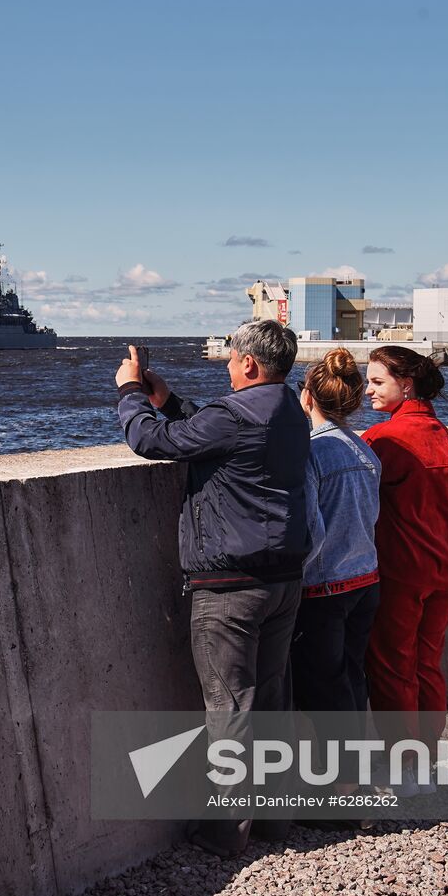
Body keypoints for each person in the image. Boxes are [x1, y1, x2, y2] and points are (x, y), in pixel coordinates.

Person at [115, 321, 308, 857]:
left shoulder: (235, 414)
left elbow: (151, 441)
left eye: (230, 358)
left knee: (230, 706)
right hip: (283, 579)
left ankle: (226, 832)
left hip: (231, 585)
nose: (226, 365)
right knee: (270, 701)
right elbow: (216, 431)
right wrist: (170, 398)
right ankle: (274, 821)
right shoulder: (289, 408)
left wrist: (132, 391)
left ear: (249, 363)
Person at [360, 345, 448, 794]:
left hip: (403, 567)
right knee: (427, 663)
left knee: (392, 665)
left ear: (407, 384)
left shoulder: (385, 439)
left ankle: (405, 765)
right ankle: (424, 756)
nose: (367, 390)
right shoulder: (438, 432)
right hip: (445, 567)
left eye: (377, 381)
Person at [292, 348, 381, 789]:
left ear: (307, 397)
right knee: (349, 680)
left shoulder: (313, 452)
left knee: (322, 690)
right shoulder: (365, 449)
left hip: (325, 587)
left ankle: (342, 787)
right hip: (365, 580)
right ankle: (356, 776)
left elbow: (311, 528)